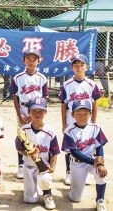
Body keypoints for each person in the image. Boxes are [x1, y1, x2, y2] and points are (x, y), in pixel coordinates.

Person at [58, 54, 102, 185]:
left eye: (82, 64)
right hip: (71, 120)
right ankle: (68, 172)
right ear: (72, 67)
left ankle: (87, 171)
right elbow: (63, 105)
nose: (79, 67)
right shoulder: (67, 84)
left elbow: (94, 104)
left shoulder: (91, 84)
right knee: (70, 147)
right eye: (76, 65)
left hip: (86, 120)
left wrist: (93, 121)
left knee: (86, 145)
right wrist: (64, 123)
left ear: (87, 67)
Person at [61, 99, 108, 211]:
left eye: (85, 114)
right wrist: (94, 162)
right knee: (75, 199)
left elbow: (99, 146)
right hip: (77, 164)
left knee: (103, 174)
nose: (82, 117)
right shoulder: (69, 131)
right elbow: (74, 152)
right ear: (72, 115)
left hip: (92, 161)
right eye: (78, 114)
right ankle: (74, 188)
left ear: (90, 114)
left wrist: (100, 164)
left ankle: (100, 200)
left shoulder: (95, 128)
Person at [9, 49, 48, 179]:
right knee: (22, 137)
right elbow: (15, 97)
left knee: (36, 136)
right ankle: (21, 165)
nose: (31, 62)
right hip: (23, 110)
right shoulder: (18, 78)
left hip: (37, 111)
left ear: (39, 61)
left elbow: (44, 98)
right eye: (28, 59)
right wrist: (19, 113)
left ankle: (37, 162)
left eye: (34, 59)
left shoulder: (42, 78)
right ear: (23, 60)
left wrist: (38, 114)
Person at [15, 97, 59, 210]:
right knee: (30, 200)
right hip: (29, 166)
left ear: (45, 112)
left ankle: (47, 194)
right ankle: (30, 191)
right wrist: (29, 153)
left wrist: (52, 167)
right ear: (29, 112)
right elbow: (19, 149)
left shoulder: (50, 131)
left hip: (43, 166)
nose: (37, 114)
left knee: (45, 179)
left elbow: (54, 152)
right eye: (34, 111)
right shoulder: (23, 130)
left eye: (41, 111)